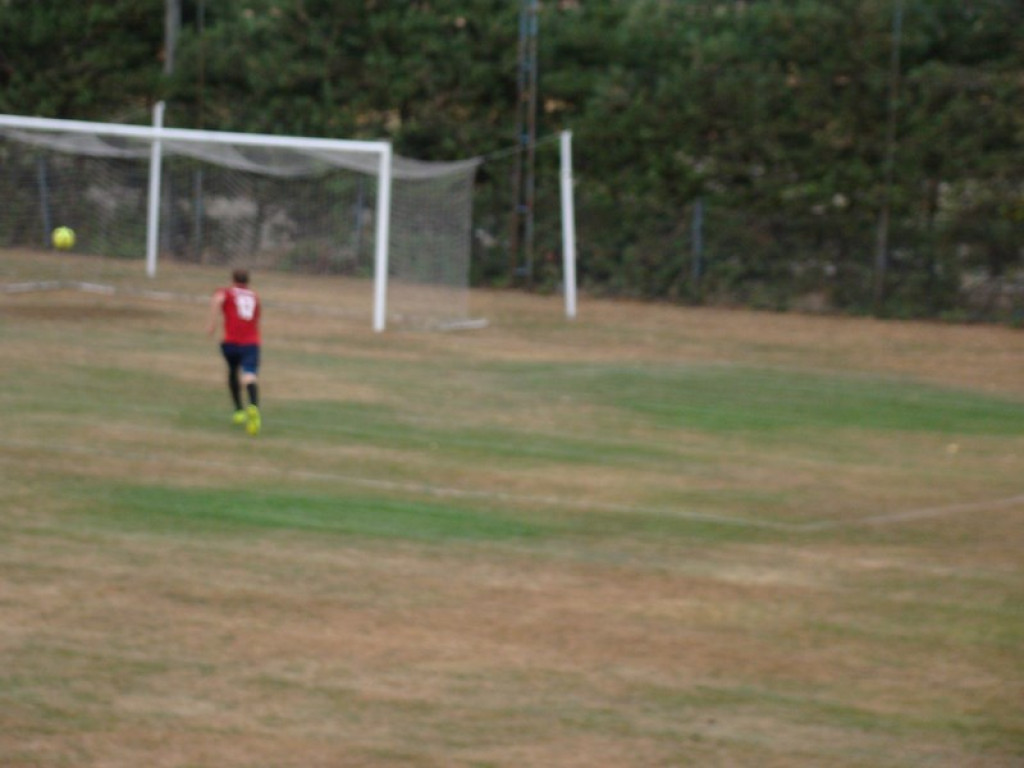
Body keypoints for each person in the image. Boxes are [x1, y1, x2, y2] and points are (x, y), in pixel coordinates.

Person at [208, 268, 262, 435]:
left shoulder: (227, 292)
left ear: (233, 279)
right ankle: (253, 407)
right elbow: (256, 318)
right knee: (249, 375)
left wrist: (212, 323)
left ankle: (239, 410)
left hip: (230, 342)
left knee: (232, 371)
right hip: (251, 342)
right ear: (248, 281)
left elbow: (218, 299)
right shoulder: (255, 296)